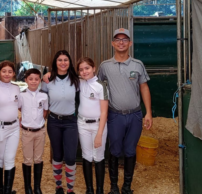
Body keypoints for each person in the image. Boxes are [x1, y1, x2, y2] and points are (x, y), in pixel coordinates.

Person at [97, 28, 152, 194]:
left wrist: (148, 112)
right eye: (118, 39)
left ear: (130, 43)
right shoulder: (105, 66)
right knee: (114, 150)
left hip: (135, 115)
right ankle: (114, 186)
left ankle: (127, 187)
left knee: (130, 150)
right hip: (115, 115)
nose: (121, 42)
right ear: (113, 43)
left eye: (125, 39)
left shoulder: (138, 64)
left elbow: (144, 87)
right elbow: (97, 86)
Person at [41, 50, 80, 194]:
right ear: (55, 62)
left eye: (66, 60)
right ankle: (58, 186)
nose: (63, 63)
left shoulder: (76, 80)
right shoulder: (48, 81)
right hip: (54, 122)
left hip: (71, 122)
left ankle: (70, 189)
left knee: (70, 157)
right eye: (60, 60)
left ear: (69, 62)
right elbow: (41, 101)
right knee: (57, 155)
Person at [77, 57, 109, 194]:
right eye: (81, 69)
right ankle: (89, 189)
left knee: (99, 156)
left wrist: (99, 134)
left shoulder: (100, 86)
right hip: (82, 124)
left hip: (98, 125)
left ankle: (100, 190)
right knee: (86, 156)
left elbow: (104, 111)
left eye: (87, 68)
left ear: (93, 68)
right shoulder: (79, 82)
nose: (84, 72)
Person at [0, 61, 20, 194]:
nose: (7, 74)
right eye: (4, 71)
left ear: (13, 73)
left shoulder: (17, 88)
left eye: (10, 71)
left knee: (10, 158)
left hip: (14, 127)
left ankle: (7, 190)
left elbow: (20, 105)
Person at [18, 68, 48, 194]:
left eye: (36, 79)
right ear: (26, 80)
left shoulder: (44, 96)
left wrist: (39, 122)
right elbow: (20, 108)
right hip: (27, 132)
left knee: (38, 158)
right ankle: (28, 187)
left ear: (40, 80)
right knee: (27, 159)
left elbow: (45, 110)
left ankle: (37, 186)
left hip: (40, 131)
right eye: (30, 79)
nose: (33, 82)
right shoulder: (22, 95)